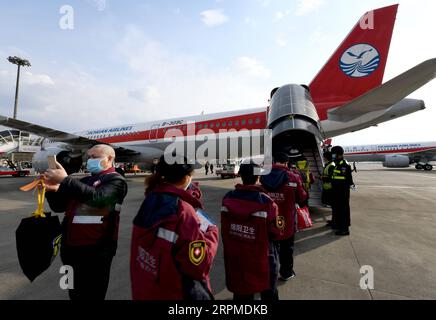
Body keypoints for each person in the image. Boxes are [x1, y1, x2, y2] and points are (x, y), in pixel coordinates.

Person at [43, 144, 128, 300]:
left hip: (96, 251)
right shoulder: (86, 180)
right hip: (70, 249)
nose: (90, 160)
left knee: (92, 294)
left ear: (109, 158)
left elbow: (99, 199)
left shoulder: (116, 180)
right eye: (89, 157)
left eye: (94, 157)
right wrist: (51, 190)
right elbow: (59, 207)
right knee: (74, 292)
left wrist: (65, 180)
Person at [130, 155, 219, 300]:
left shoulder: (151, 198)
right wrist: (212, 233)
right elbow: (198, 266)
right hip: (177, 292)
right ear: (186, 178)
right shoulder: (183, 211)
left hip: (148, 288)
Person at [221, 163, 282, 301]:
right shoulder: (267, 202)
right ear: (258, 177)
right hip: (262, 256)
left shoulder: (228, 198)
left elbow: (225, 228)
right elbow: (277, 232)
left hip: (236, 256)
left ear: (240, 175)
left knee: (241, 292)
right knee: (268, 292)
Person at [260, 152, 307, 281]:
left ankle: (268, 274)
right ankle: (286, 273)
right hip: (287, 221)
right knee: (287, 248)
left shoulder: (263, 176)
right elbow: (302, 198)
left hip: (268, 220)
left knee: (269, 248)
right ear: (286, 163)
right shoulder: (293, 177)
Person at [330, 146, 355, 236]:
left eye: (333, 154)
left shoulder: (344, 164)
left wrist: (352, 187)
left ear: (338, 154)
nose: (332, 156)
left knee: (343, 210)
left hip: (342, 192)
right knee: (338, 209)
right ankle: (338, 224)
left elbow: (348, 179)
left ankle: (345, 229)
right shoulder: (337, 163)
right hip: (337, 191)